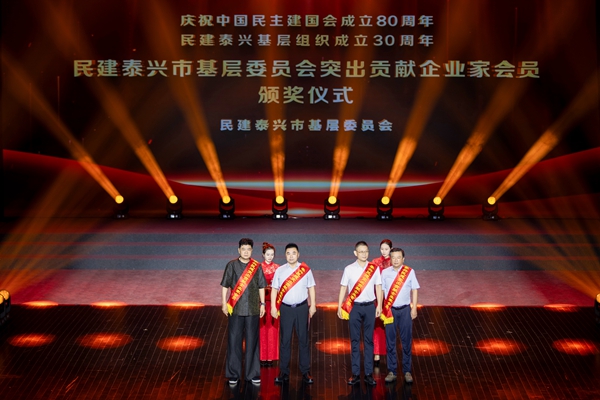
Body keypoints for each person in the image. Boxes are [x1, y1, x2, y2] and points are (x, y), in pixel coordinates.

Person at [221, 238, 267, 385]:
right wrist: (224, 303)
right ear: (239, 250)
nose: (246, 252)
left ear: (252, 250)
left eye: (248, 249)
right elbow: (225, 285)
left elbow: (261, 286)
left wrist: (263, 304)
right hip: (235, 309)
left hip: (253, 309)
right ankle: (233, 374)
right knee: (234, 341)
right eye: (243, 249)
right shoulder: (232, 265)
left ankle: (252, 373)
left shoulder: (257, 266)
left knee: (252, 341)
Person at [337, 241, 382, 386]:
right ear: (355, 253)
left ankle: (368, 374)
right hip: (354, 308)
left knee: (369, 341)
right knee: (355, 341)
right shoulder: (349, 269)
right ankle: (355, 374)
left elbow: (378, 287)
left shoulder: (374, 268)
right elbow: (343, 288)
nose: (364, 254)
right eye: (361, 252)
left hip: (369, 307)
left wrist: (379, 305)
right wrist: (339, 306)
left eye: (366, 251)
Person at [270, 243, 316, 385]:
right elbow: (274, 289)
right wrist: (273, 307)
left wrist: (313, 305)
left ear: (298, 254)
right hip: (286, 309)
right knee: (285, 340)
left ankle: (305, 371)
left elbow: (311, 287)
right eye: (288, 253)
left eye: (293, 253)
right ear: (285, 255)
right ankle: (284, 371)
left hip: (302, 308)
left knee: (303, 340)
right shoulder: (280, 270)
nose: (291, 256)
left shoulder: (305, 270)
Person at [380, 248, 419, 384]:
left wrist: (414, 308)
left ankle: (407, 371)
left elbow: (414, 290)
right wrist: (381, 308)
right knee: (390, 341)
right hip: (390, 311)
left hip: (405, 310)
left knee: (406, 341)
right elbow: (382, 291)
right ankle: (392, 371)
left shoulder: (409, 272)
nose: (396, 260)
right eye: (393, 257)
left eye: (398, 257)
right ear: (390, 259)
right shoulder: (384, 273)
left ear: (403, 259)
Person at [372, 239, 393, 366]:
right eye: (382, 249)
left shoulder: (394, 262)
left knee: (390, 326)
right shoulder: (375, 262)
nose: (384, 251)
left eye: (386, 249)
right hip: (378, 297)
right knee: (378, 325)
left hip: (391, 298)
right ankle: (377, 353)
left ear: (390, 249)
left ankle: (391, 352)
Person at [260, 242, 280, 366]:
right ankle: (262, 356)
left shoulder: (278, 268)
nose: (270, 257)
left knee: (273, 329)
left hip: (273, 303)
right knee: (262, 329)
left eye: (272, 254)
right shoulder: (258, 267)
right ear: (263, 255)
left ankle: (272, 356)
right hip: (261, 302)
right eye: (268, 254)